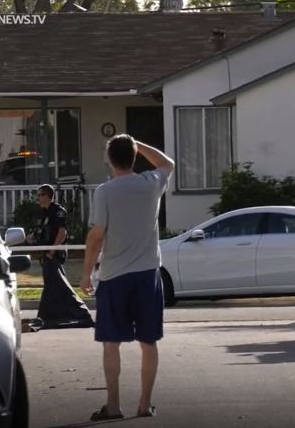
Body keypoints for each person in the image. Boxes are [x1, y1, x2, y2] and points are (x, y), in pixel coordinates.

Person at [80, 134, 174, 421]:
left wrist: (86, 273)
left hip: (114, 275)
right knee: (149, 341)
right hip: (147, 274)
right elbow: (167, 163)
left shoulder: (106, 191)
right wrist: (138, 144)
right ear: (134, 157)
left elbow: (97, 235)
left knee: (112, 342)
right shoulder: (150, 184)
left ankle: (114, 405)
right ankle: (145, 404)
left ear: (110, 160)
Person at [32, 184, 94, 329]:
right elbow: (42, 232)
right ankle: (46, 317)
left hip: (53, 254)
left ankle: (82, 314)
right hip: (45, 255)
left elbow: (62, 233)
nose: (38, 198)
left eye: (40, 195)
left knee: (61, 286)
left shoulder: (57, 211)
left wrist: (51, 252)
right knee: (51, 286)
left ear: (48, 196)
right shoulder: (44, 213)